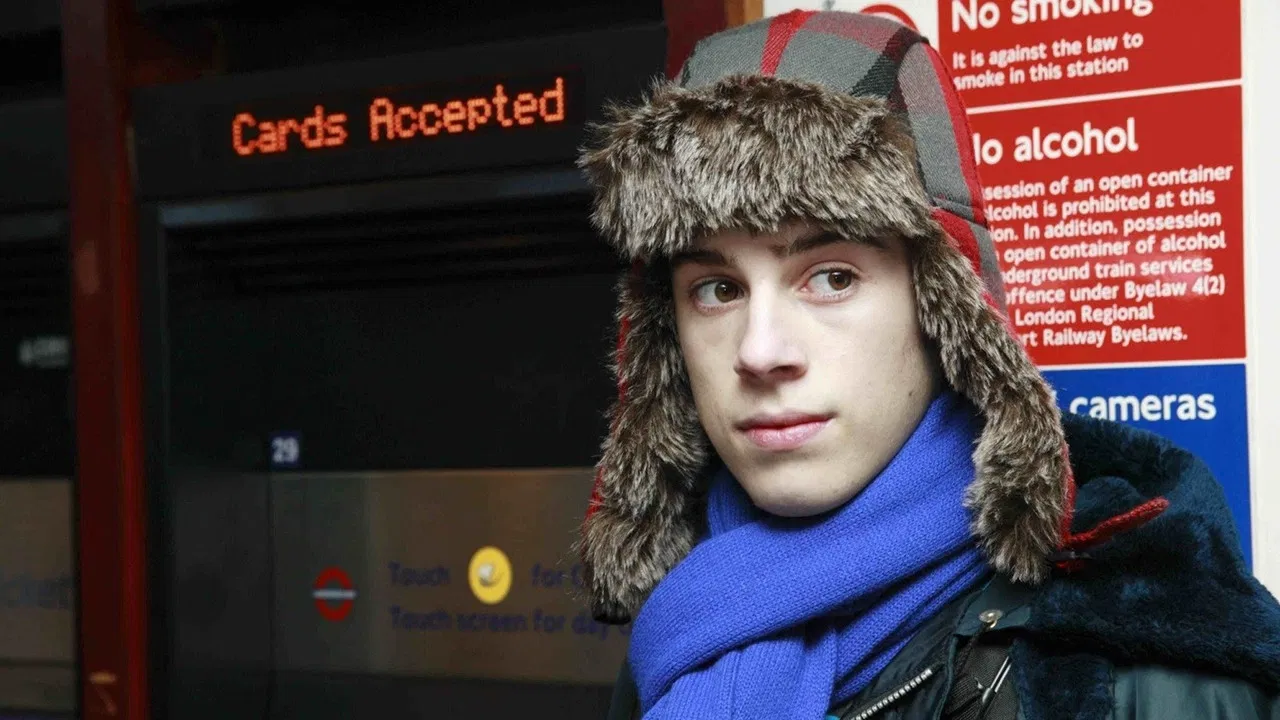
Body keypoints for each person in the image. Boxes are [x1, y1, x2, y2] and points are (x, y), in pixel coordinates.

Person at [572, 9, 1280, 720]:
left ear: (943, 309)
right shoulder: (686, 629)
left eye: (833, 277)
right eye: (717, 290)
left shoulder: (1140, 673)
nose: (760, 352)